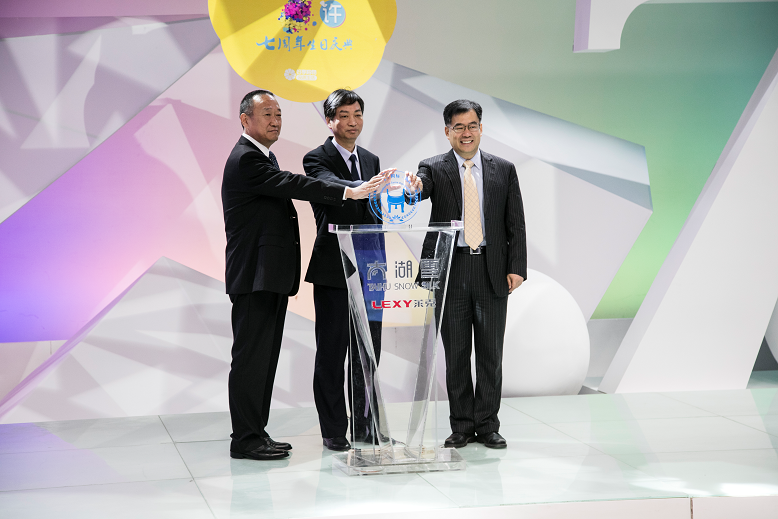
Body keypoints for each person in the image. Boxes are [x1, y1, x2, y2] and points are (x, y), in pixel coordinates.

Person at [222, 89, 383, 461]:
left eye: (278, 114)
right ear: (245, 119)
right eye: (267, 114)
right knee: (251, 359)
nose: (275, 121)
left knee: (263, 360)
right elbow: (295, 184)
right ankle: (245, 438)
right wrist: (350, 193)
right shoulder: (247, 158)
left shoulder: (264, 155)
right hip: (255, 275)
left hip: (270, 276)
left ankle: (255, 433)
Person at [416, 99, 527, 449]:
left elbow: (516, 223)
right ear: (447, 131)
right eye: (459, 127)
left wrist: (517, 267)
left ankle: (488, 425)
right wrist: (412, 188)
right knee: (457, 353)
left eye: (472, 125)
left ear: (481, 128)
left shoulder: (503, 169)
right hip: (452, 268)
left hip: (492, 269)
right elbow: (419, 189)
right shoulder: (432, 167)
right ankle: (462, 425)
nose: (467, 133)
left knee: (491, 354)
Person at [303, 89, 394, 451]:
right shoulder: (316, 159)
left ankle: (365, 426)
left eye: (357, 114)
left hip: (371, 267)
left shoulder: (371, 159)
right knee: (332, 352)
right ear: (330, 121)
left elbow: (376, 210)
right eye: (344, 115)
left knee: (368, 352)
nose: (353, 122)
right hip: (333, 268)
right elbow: (329, 186)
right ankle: (334, 430)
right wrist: (360, 188)